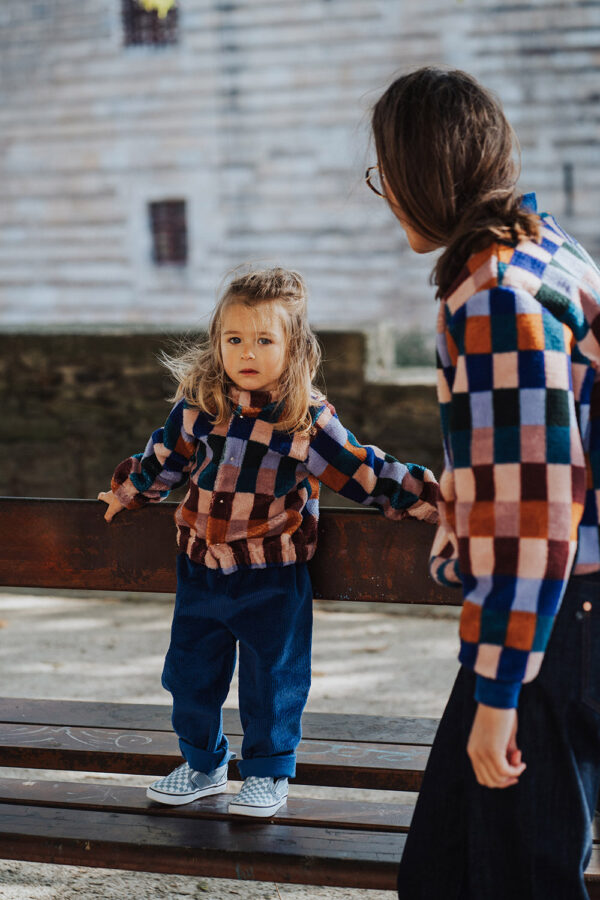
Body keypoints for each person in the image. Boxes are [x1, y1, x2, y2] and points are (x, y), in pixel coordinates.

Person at [366, 66, 600, 899]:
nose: (383, 192)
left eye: (383, 173)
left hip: (554, 624)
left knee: (515, 880)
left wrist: (500, 691)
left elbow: (537, 511)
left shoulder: (495, 292)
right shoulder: (549, 250)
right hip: (555, 619)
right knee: (443, 871)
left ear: (416, 174)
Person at [98, 266, 439, 818]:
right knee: (189, 674)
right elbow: (165, 459)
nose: (247, 352)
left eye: (264, 339)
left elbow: (363, 471)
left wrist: (429, 499)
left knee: (273, 678)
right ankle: (203, 764)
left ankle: (266, 773)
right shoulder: (198, 407)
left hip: (271, 575)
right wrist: (130, 492)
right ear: (217, 343)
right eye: (234, 339)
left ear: (294, 347)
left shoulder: (304, 420)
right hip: (201, 569)